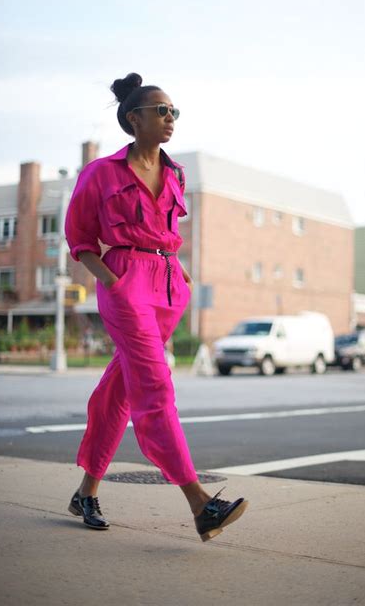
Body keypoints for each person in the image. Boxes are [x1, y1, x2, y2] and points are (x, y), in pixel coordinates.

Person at [64, 72, 248, 542]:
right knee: (155, 388)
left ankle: (86, 490)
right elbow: (81, 239)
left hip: (168, 286)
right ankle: (200, 503)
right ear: (134, 118)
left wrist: (181, 273)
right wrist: (113, 281)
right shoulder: (101, 173)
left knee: (121, 391)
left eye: (174, 112)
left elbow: (168, 232)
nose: (170, 119)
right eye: (162, 111)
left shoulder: (176, 173)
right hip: (125, 282)